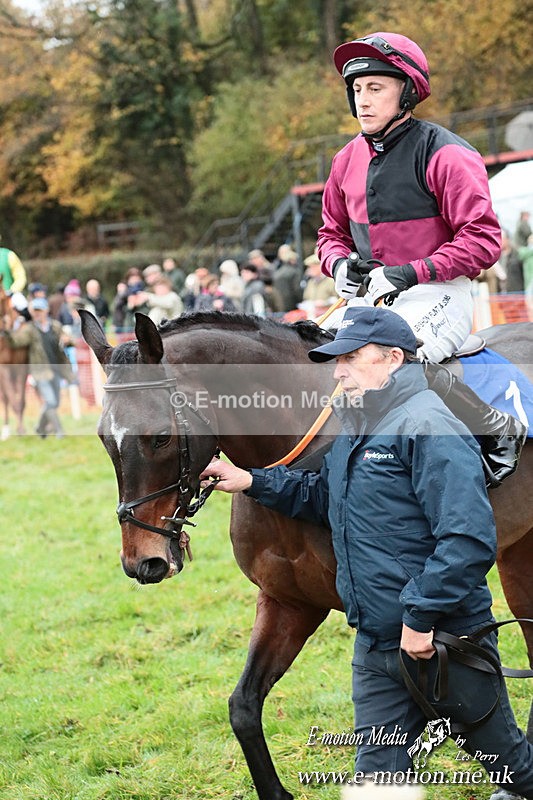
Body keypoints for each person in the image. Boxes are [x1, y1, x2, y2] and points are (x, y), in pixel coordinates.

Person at [199, 306, 533, 796]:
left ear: (394, 358)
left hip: (443, 642)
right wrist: (250, 480)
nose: (338, 371)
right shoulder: (355, 426)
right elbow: (324, 499)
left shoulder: (429, 426)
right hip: (377, 647)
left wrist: (419, 621)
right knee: (378, 783)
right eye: (336, 359)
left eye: (352, 358)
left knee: (514, 770)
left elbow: (468, 539)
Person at [316, 30, 526, 485]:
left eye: (376, 88)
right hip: (371, 297)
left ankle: (497, 430)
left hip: (439, 291)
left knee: (398, 363)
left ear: (407, 91)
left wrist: (412, 271)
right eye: (357, 90)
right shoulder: (344, 161)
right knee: (310, 361)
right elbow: (329, 235)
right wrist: (339, 264)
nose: (363, 101)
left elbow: (484, 240)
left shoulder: (447, 152)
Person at [2, 296, 74, 437]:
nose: (37, 313)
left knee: (55, 402)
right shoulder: (30, 329)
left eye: (40, 310)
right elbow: (16, 341)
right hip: (41, 372)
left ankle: (40, 427)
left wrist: (67, 340)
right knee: (51, 401)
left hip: (56, 369)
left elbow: (69, 340)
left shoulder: (55, 326)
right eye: (35, 310)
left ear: (46, 310)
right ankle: (60, 432)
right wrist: (6, 332)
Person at [272, 244, 303, 312]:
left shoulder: (277, 272)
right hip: (293, 306)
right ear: (291, 260)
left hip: (280, 305)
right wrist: (302, 301)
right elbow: (297, 289)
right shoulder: (295, 271)